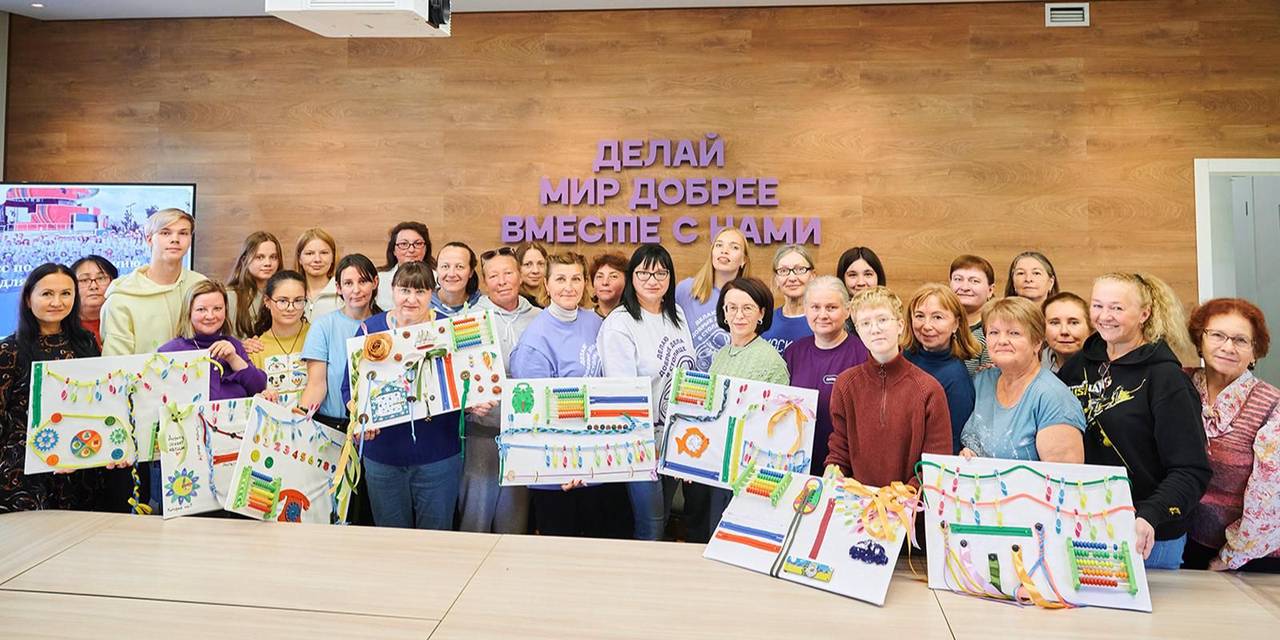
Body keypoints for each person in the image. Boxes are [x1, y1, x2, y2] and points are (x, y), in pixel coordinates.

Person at [1057, 272, 1210, 570]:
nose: (1105, 316)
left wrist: (1150, 514)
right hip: (1083, 527)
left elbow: (1191, 471)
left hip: (1148, 536)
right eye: (1097, 306)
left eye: (1117, 308)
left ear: (1144, 314)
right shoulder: (1077, 367)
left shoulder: (1167, 380)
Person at [344, 262, 463, 530]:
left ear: (432, 293)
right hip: (383, 456)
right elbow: (348, 389)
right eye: (404, 290)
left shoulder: (448, 329)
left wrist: (472, 402)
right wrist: (361, 417)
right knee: (391, 540)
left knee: (436, 538)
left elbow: (464, 383)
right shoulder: (369, 330)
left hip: (438, 456)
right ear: (392, 290)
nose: (411, 299)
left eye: (420, 291)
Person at [509, 252, 612, 537]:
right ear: (547, 284)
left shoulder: (595, 323)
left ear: (585, 283)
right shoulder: (535, 340)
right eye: (561, 279)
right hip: (557, 471)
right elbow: (533, 415)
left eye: (576, 279)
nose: (569, 287)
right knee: (560, 550)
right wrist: (565, 468)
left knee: (597, 546)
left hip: (595, 461)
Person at [598, 244, 696, 540]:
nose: (653, 280)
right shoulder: (620, 323)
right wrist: (644, 441)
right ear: (632, 277)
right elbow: (622, 392)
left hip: (676, 437)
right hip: (641, 439)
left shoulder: (677, 315)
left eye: (661, 273)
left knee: (663, 519)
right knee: (650, 524)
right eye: (644, 273)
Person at [1181, 298, 1280, 573]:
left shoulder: (1272, 404)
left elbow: (1270, 494)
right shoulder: (1177, 383)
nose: (1227, 347)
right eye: (1217, 335)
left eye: (1240, 340)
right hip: (1181, 544)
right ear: (1200, 340)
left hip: (1252, 556)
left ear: (1255, 352)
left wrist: (1230, 558)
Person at [0, 264, 107, 514]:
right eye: (47, 294)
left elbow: (96, 402)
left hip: (78, 463)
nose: (57, 302)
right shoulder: (9, 350)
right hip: (24, 472)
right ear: (29, 299)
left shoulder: (85, 343)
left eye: (66, 294)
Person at [827, 286, 951, 488]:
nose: (875, 329)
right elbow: (840, 449)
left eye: (883, 320)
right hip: (857, 501)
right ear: (858, 330)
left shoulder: (929, 390)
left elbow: (935, 465)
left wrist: (904, 496)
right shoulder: (845, 384)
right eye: (865, 323)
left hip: (908, 503)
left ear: (900, 325)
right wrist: (833, 472)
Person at [698, 277, 790, 540]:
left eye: (747, 308)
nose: (739, 315)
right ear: (723, 312)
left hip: (748, 472)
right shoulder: (722, 354)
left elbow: (776, 427)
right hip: (718, 463)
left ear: (761, 313)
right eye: (732, 307)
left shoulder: (770, 360)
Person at [458, 247, 540, 534]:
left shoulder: (539, 318)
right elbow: (459, 374)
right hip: (481, 431)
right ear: (484, 281)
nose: (502, 281)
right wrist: (469, 401)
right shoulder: (469, 319)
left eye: (508, 273)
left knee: (514, 519)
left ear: (520, 275)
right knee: (475, 517)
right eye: (493, 276)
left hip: (526, 434)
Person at [298, 253, 382, 526]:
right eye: (348, 283)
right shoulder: (324, 326)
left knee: (370, 513)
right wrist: (297, 421)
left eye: (363, 281)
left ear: (375, 283)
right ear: (338, 288)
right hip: (333, 431)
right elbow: (316, 384)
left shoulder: (387, 324)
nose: (356, 289)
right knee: (333, 511)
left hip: (377, 434)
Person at [958, 297, 1085, 462]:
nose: (1002, 341)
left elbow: (1064, 475)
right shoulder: (982, 381)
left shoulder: (1054, 399)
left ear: (1037, 342)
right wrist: (970, 455)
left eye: (1014, 333)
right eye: (994, 332)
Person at [784, 277, 869, 476]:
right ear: (806, 310)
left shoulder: (863, 354)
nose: (822, 315)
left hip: (844, 469)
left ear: (847, 310)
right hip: (798, 464)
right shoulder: (794, 353)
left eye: (831, 308)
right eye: (815, 307)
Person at [101, 208, 207, 356]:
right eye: (165, 233)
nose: (175, 239)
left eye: (183, 233)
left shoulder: (201, 286)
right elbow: (116, 362)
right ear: (149, 239)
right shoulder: (121, 298)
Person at [158, 280, 268, 401]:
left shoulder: (234, 346)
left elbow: (259, 388)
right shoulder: (169, 352)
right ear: (188, 312)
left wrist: (233, 359)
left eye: (217, 308)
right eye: (201, 309)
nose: (210, 316)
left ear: (225, 311)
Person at [902, 284, 978, 454]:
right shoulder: (903, 357)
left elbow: (949, 445)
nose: (927, 326)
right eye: (919, 316)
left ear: (956, 324)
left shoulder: (956, 379)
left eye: (937, 317)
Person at [675, 228, 749, 373]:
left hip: (731, 380)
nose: (724, 251)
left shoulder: (750, 299)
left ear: (743, 260)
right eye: (719, 245)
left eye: (734, 247)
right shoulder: (686, 289)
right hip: (689, 381)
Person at [249, 271, 310, 407]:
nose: (290, 308)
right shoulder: (256, 348)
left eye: (298, 301)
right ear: (267, 301)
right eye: (282, 301)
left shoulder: (317, 336)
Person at [225, 231, 283, 339]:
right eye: (260, 257)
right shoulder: (229, 296)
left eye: (273, 257)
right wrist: (241, 345)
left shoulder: (286, 296)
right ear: (244, 260)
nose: (268, 263)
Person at [761, 244, 815, 354]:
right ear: (776, 279)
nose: (792, 278)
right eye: (783, 271)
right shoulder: (765, 321)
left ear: (812, 276)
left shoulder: (822, 321)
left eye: (800, 269)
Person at [949, 254, 996, 376]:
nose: (965, 287)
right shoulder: (938, 323)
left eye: (974, 281)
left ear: (990, 290)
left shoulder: (995, 329)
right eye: (958, 279)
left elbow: (989, 380)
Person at [376, 221, 432, 312]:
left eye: (418, 244)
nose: (411, 250)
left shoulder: (439, 280)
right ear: (393, 250)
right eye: (404, 244)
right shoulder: (380, 280)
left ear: (426, 249)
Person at [835, 246, 886, 334]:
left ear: (878, 276)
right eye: (852, 275)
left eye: (868, 274)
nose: (861, 282)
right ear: (842, 279)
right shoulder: (836, 316)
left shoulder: (891, 310)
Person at [71, 255, 118, 347]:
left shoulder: (124, 321)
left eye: (101, 278)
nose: (93, 286)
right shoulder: (61, 327)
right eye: (84, 280)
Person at [295, 228, 341, 320]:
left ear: (333, 257)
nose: (317, 259)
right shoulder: (290, 294)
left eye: (324, 253)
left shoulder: (344, 294)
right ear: (299, 258)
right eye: (309, 253)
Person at [1043, 291, 1092, 373]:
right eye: (1055, 323)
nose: (1064, 331)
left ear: (1090, 328)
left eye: (1074, 323)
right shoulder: (1031, 368)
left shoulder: (1105, 367)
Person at [433, 242, 482, 315]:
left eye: (459, 267)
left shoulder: (484, 306)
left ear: (471, 272)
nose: (451, 274)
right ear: (436, 269)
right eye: (445, 266)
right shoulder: (422, 304)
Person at [589, 252, 628, 319]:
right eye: (599, 276)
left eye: (613, 276)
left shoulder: (632, 319)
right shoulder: (584, 319)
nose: (605, 282)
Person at [516, 241, 549, 308]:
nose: (535, 270)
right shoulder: (515, 301)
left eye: (540, 264)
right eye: (528, 264)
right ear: (518, 267)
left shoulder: (555, 296)